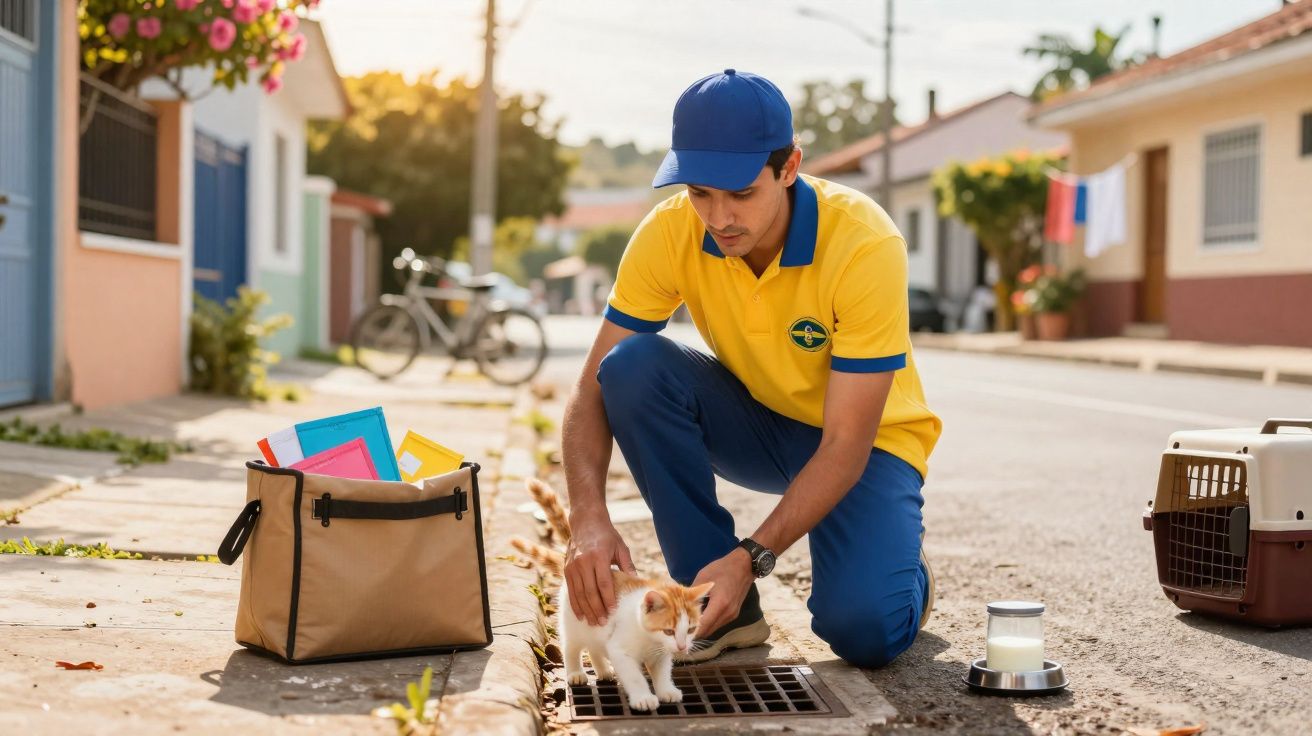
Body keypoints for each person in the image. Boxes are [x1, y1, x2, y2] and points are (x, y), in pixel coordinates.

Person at [559, 69, 942, 669]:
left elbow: (846, 440)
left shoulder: (864, 243)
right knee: (628, 367)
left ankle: (907, 578)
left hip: (864, 442)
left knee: (866, 630)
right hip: (758, 425)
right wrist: (586, 519)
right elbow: (589, 389)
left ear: (789, 166)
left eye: (741, 193)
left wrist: (751, 557)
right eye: (700, 193)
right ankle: (720, 613)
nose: (718, 217)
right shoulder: (669, 232)